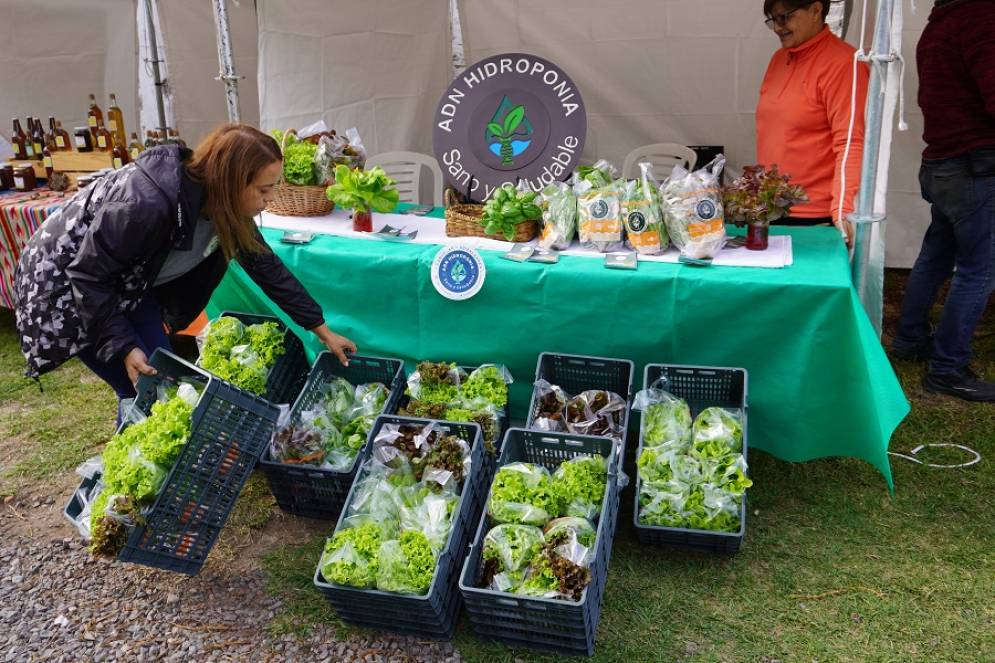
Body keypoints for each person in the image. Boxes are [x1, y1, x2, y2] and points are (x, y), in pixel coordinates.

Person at [13, 123, 357, 420]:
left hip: (124, 282)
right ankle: (139, 476)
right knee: (144, 385)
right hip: (64, 289)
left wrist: (321, 330)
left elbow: (266, 266)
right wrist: (123, 346)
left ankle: (150, 446)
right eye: (264, 189)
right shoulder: (147, 204)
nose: (270, 199)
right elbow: (87, 276)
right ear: (231, 181)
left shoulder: (222, 204)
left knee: (161, 376)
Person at [892, 0, 995, 402]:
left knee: (935, 257)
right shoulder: (982, 16)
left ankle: (910, 341)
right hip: (975, 166)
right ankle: (947, 368)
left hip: (943, 162)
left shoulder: (939, 23)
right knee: (979, 269)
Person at [756, 0, 869, 243]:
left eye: (784, 17)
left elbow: (850, 142)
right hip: (771, 208)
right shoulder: (779, 59)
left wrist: (842, 208)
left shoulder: (845, 64)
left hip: (813, 216)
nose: (777, 28)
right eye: (773, 20)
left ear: (816, 10)